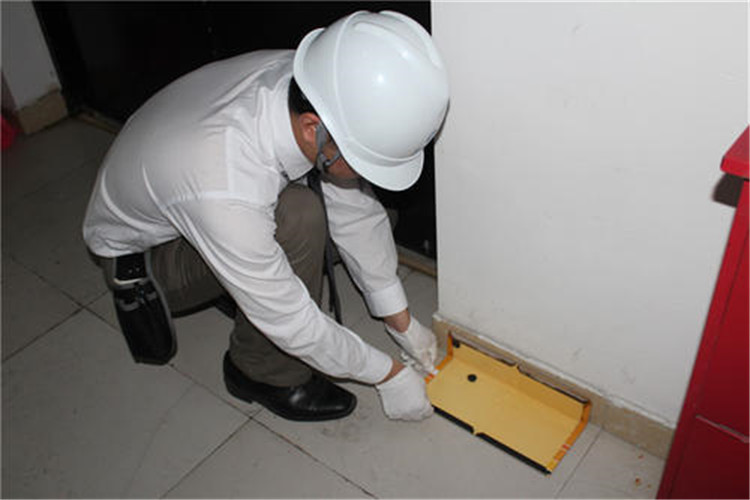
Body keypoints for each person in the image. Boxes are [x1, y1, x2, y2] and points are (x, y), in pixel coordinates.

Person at [82, 10, 450, 422]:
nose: (369, 176)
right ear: (313, 129)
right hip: (149, 259)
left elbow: (354, 210)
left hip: (188, 195)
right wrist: (388, 375)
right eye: (364, 161)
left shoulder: (312, 84)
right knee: (301, 218)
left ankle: (239, 283)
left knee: (339, 209)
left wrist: (400, 320)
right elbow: (292, 320)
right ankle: (260, 371)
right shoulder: (223, 183)